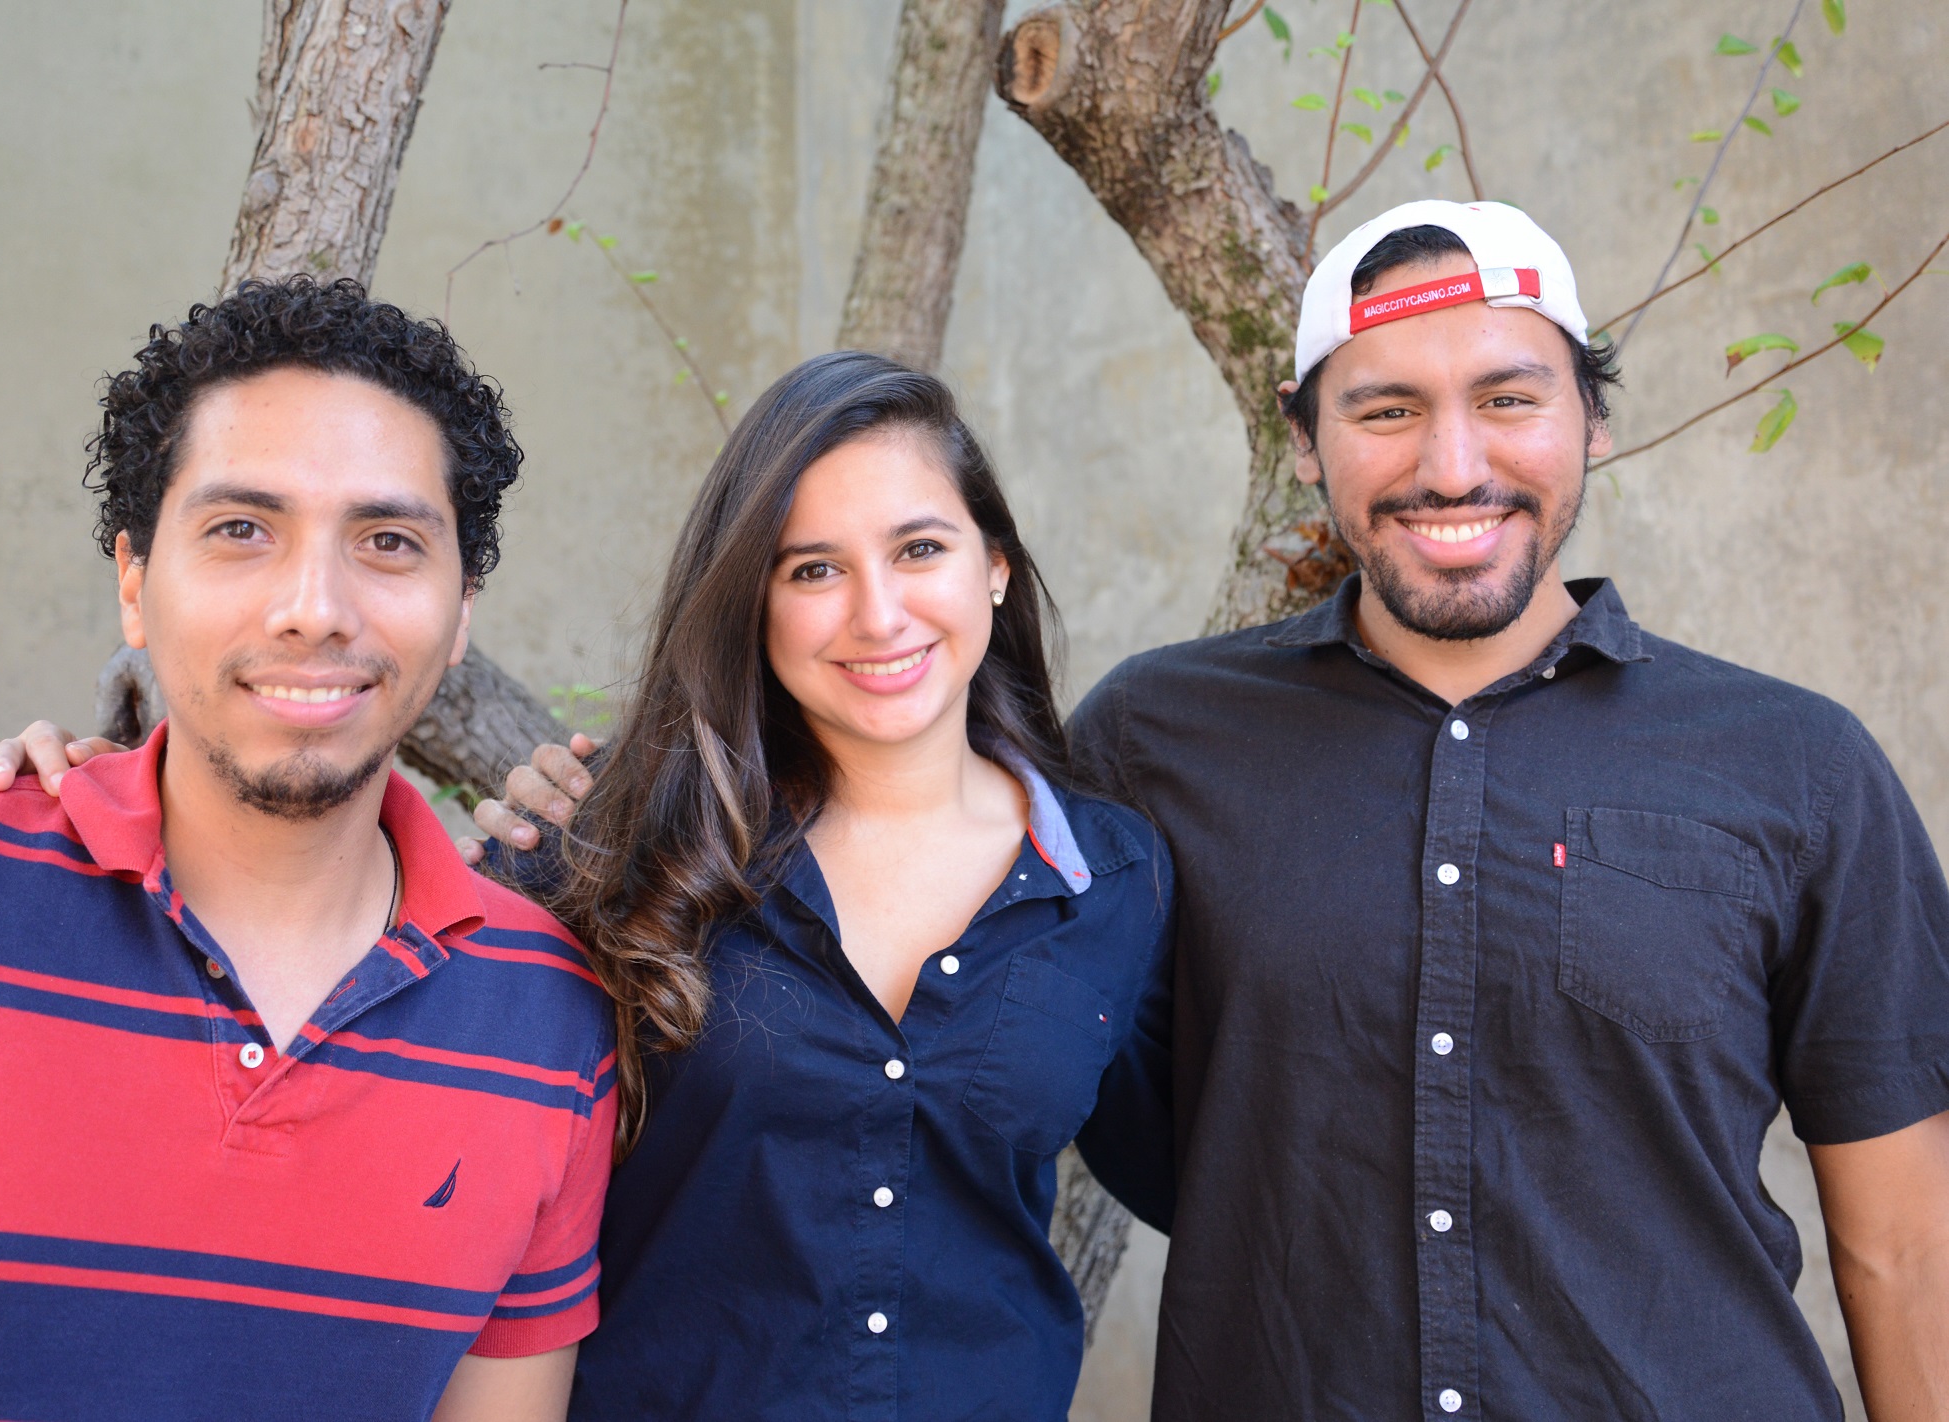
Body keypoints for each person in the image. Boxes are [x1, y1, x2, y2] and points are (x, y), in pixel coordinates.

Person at [475, 201, 1949, 1419]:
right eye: (1385, 409)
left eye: (1509, 397)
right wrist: (616, 810)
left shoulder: (1794, 766)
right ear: (1305, 445)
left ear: (1591, 422)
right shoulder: (1154, 747)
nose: (1452, 463)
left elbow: (1901, 1245)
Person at [0, 352, 1175, 1420]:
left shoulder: (1114, 878)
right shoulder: (607, 846)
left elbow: (1174, 1160)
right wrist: (87, 786)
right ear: (752, 604)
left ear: (993, 569)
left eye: (919, 549)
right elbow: (317, 953)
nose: (877, 613)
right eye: (810, 570)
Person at [0, 278, 613, 1420]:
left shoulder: (547, 1021)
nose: (314, 606)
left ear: (460, 619)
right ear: (136, 586)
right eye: (241, 530)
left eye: (388, 541)